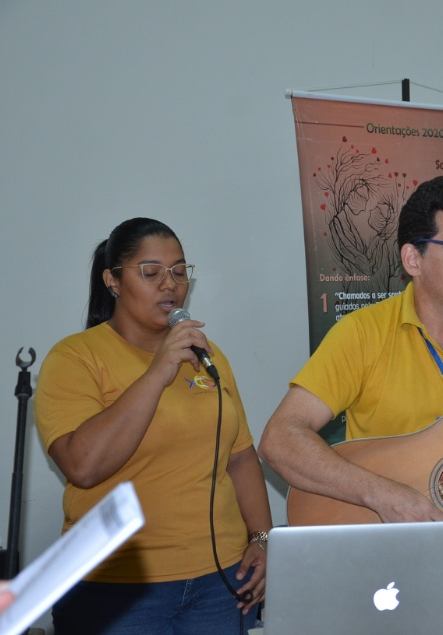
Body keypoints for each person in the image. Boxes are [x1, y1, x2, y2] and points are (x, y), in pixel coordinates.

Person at [34, 218, 272, 635]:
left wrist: (263, 540)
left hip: (219, 582)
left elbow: (239, 457)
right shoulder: (74, 358)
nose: (170, 284)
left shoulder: (207, 355)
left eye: (180, 272)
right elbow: (82, 465)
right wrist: (157, 372)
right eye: (152, 272)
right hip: (117, 587)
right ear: (113, 281)